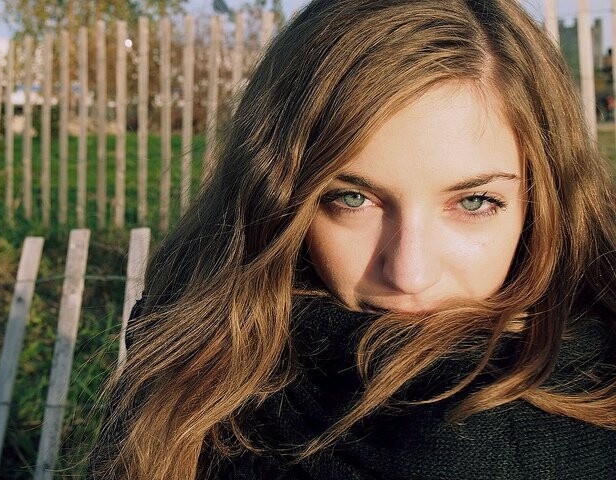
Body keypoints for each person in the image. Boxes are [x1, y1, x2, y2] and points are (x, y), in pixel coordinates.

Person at [88, 0, 616, 478]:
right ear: (277, 202)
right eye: (353, 199)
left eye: (474, 202)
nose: (409, 273)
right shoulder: (192, 371)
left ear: (541, 202)